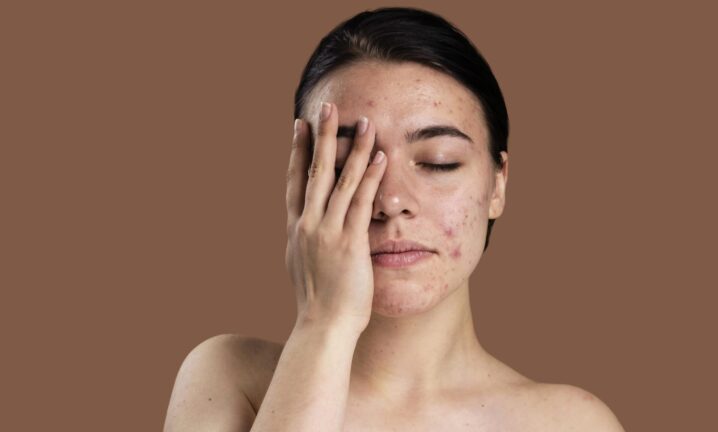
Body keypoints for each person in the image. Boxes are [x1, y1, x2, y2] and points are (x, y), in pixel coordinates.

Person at [164, 7, 625, 431]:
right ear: (304, 182)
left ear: (497, 186)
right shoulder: (228, 376)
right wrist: (325, 322)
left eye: (439, 161)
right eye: (348, 166)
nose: (391, 201)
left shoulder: (569, 422)